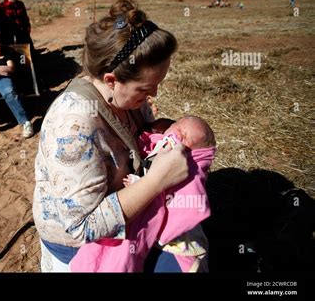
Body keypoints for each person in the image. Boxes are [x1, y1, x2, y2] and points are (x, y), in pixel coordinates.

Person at [32, 0, 196, 272]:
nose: (153, 95)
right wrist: (157, 181)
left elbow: (137, 138)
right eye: (146, 88)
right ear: (111, 80)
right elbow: (79, 228)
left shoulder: (126, 96)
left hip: (130, 222)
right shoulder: (73, 124)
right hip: (81, 253)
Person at [69, 116, 216, 272]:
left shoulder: (186, 168)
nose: (179, 138)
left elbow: (166, 194)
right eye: (178, 130)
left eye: (188, 139)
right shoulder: (155, 144)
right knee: (101, 246)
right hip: (122, 208)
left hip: (145, 218)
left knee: (125, 251)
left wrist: (138, 183)